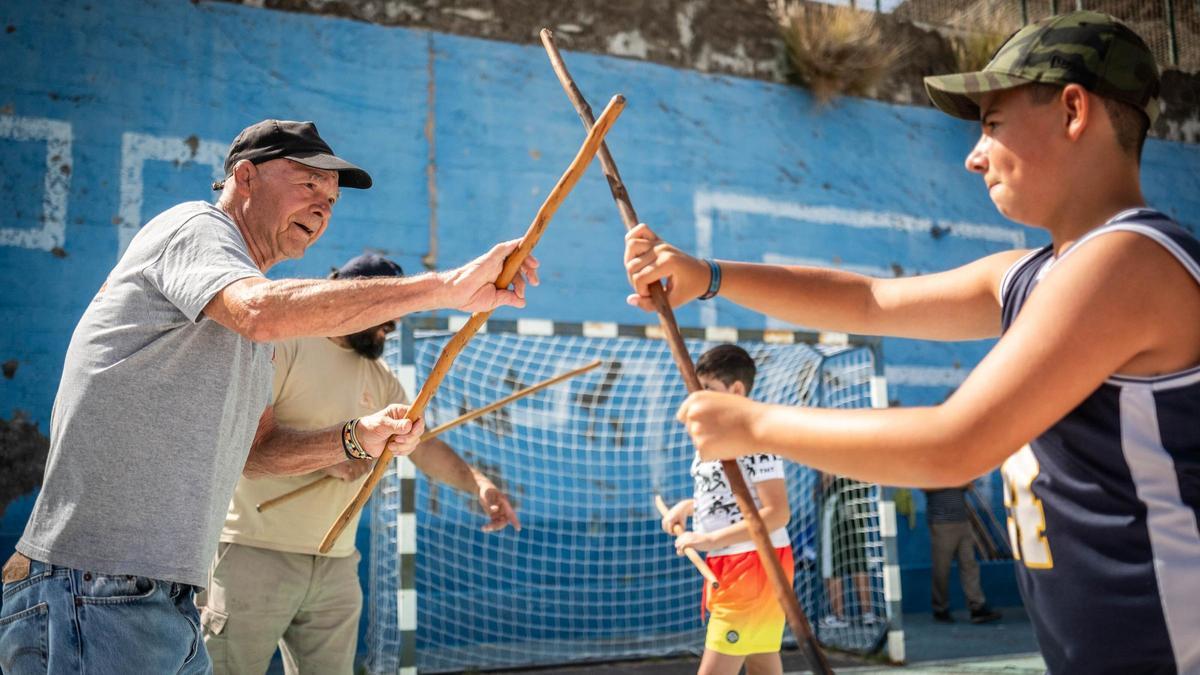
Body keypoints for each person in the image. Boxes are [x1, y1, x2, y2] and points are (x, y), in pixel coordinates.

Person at [626, 12, 1199, 674]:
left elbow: (954, 445)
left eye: (990, 124)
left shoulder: (1128, 259)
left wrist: (754, 424)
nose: (973, 154)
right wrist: (706, 276)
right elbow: (868, 299)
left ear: (1073, 109)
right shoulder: (1035, 273)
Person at [0, 119, 538, 674]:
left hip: (164, 597)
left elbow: (259, 453)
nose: (323, 206)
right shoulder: (196, 229)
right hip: (93, 590)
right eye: (308, 185)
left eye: (331, 198)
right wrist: (445, 288)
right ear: (245, 176)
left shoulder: (253, 337)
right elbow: (260, 311)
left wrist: (356, 439)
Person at [201, 253, 522, 674]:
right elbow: (244, 445)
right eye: (383, 313)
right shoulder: (288, 344)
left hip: (337, 563)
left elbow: (421, 446)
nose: (390, 327)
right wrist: (334, 454)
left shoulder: (381, 377)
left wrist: (478, 483)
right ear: (355, 299)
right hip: (254, 553)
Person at [660, 344, 792, 675]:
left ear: (736, 390)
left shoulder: (755, 437)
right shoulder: (715, 436)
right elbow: (729, 495)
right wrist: (689, 507)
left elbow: (776, 512)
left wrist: (711, 538)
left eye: (709, 391)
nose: (700, 401)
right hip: (731, 562)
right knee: (762, 662)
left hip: (756, 564)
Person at [923, 486, 1000, 624]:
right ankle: (940, 608)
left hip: (962, 521)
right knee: (942, 568)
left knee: (969, 565)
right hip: (941, 524)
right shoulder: (931, 470)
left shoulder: (956, 469)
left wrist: (956, 480)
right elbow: (925, 486)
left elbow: (969, 485)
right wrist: (954, 481)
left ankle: (977, 607)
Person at [816, 473, 879, 630]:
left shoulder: (829, 451)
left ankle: (838, 616)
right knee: (859, 560)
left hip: (835, 506)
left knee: (832, 562)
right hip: (857, 506)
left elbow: (826, 480)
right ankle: (867, 613)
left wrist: (819, 489)